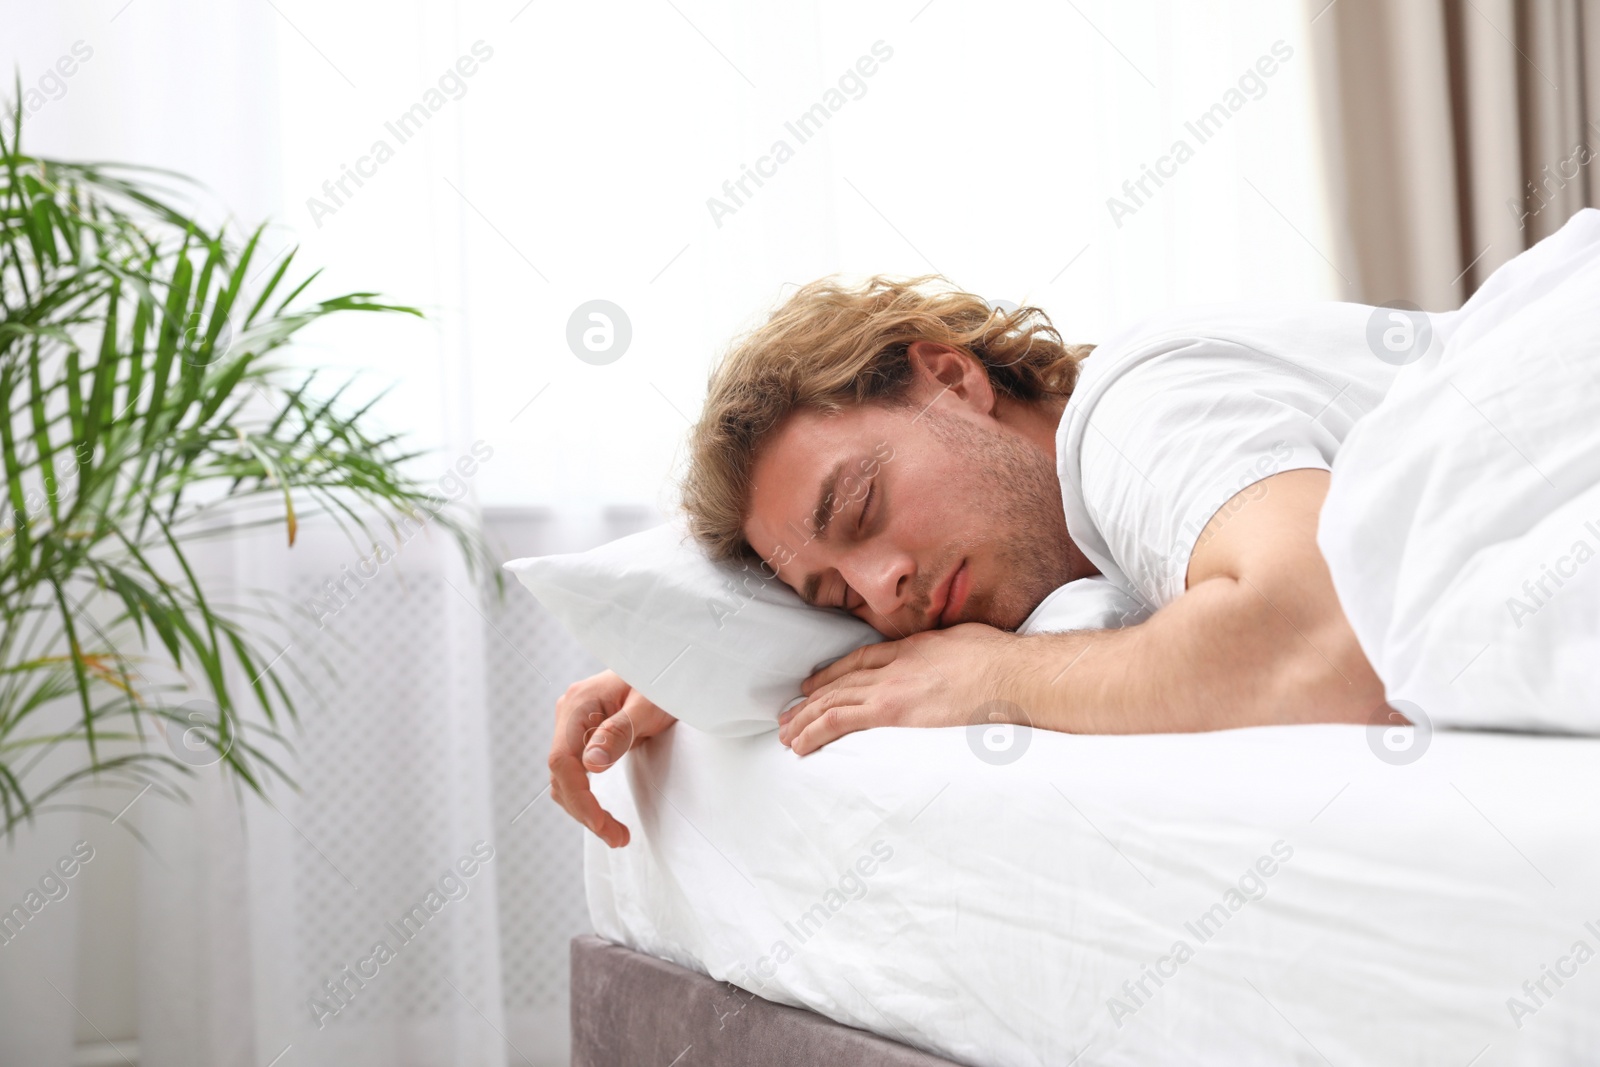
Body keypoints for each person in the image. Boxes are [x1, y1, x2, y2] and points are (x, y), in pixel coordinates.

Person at [551, 274, 1405, 847]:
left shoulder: (1135, 409)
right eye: (836, 600)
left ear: (952, 379)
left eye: (860, 506)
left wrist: (1001, 677)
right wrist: (692, 664)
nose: (881, 593)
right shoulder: (1075, 546)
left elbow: (1328, 641)